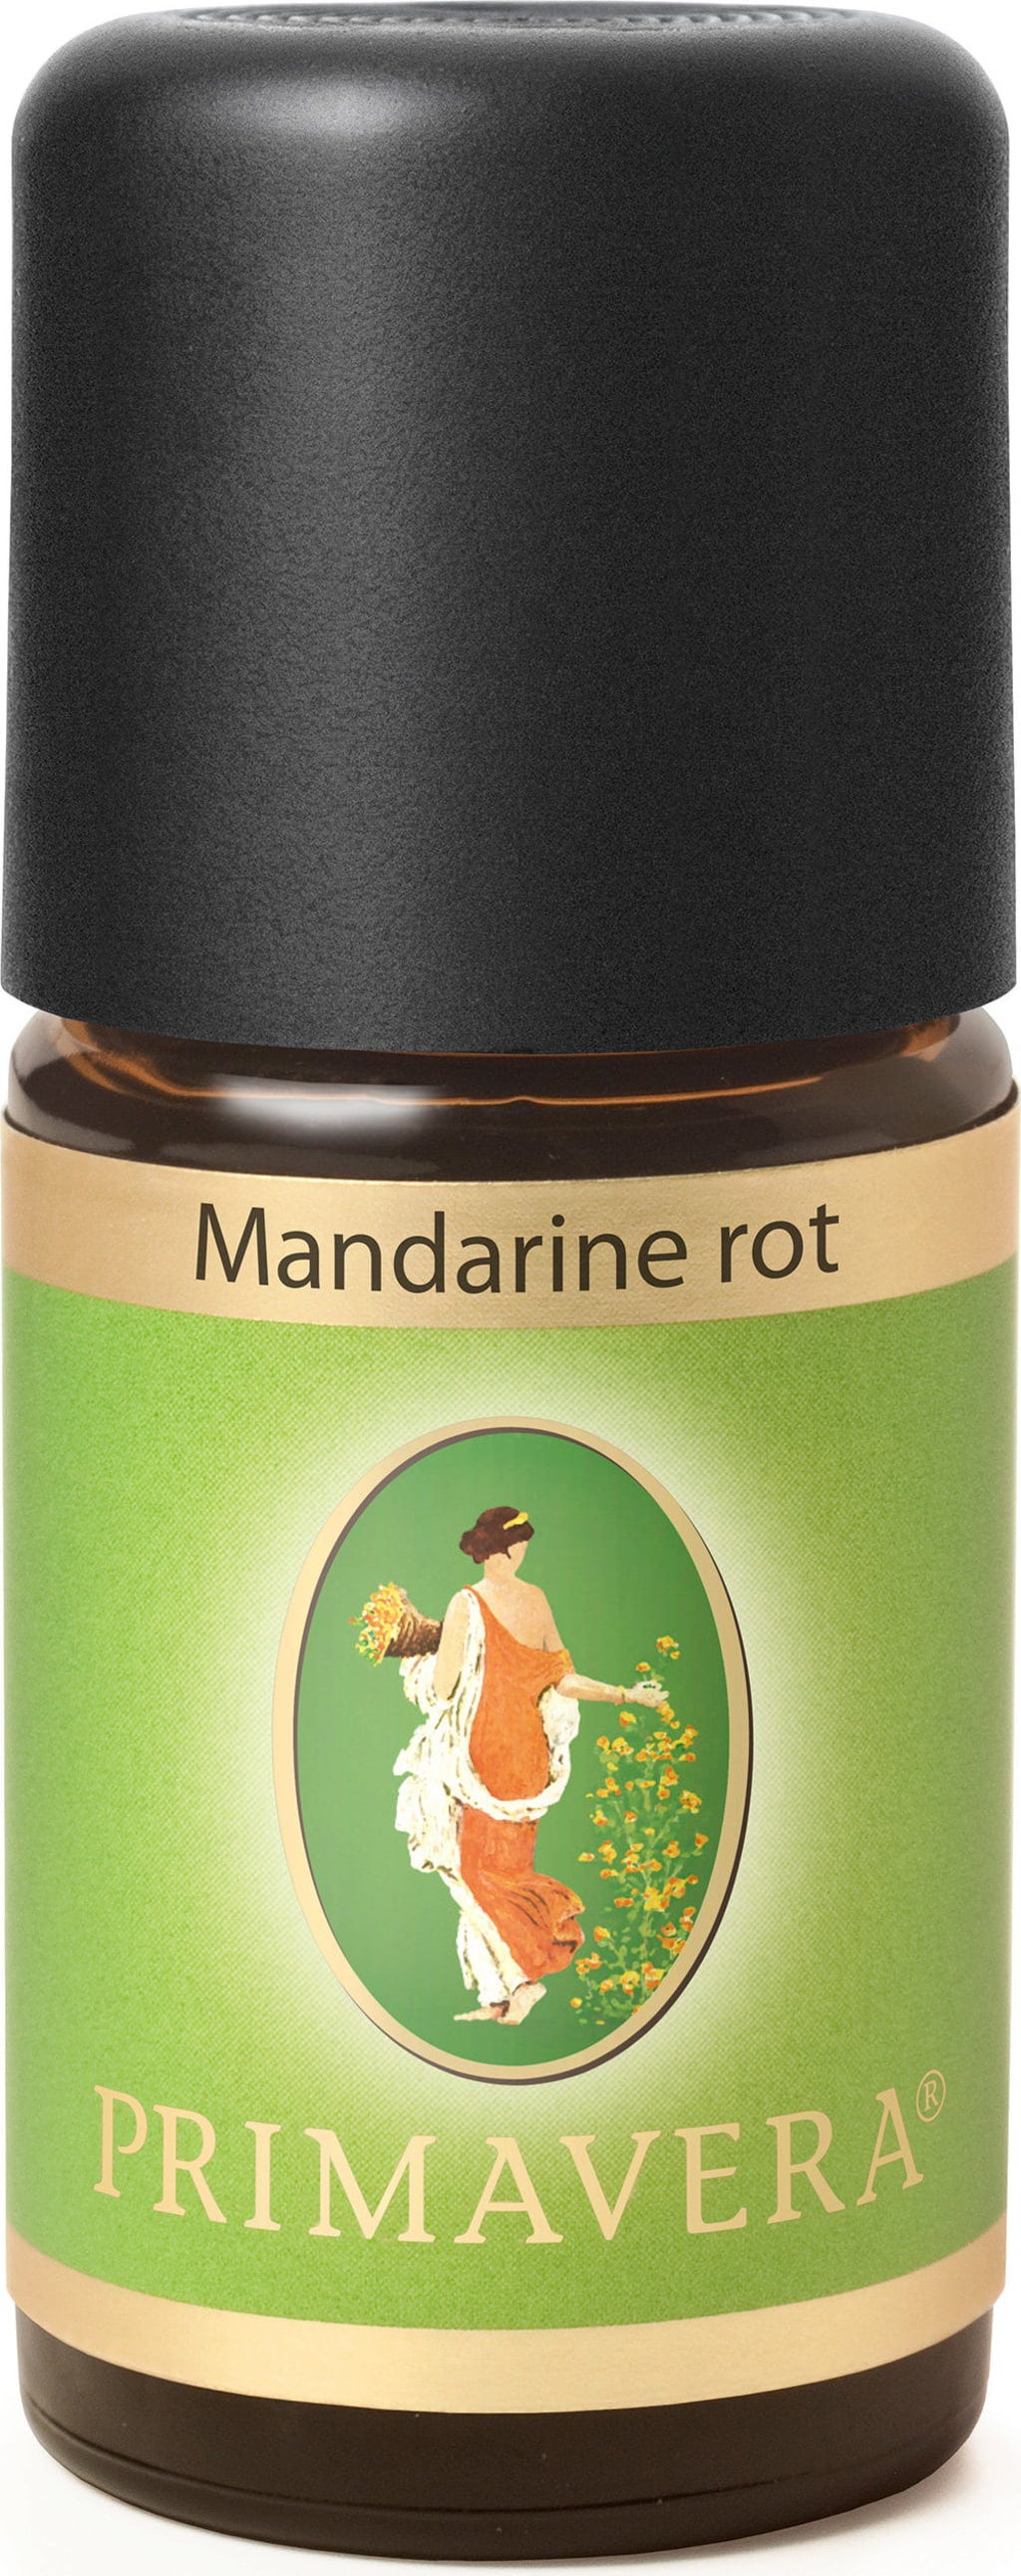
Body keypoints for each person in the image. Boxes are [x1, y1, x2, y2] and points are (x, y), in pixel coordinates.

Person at [394, 1506, 666, 2026]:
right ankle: (499, 1995)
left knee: (473, 1872)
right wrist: (626, 1694)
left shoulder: (465, 1603)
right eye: (522, 1543)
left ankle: (524, 1982)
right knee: (506, 1872)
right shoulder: (536, 1600)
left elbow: (443, 1689)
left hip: (484, 1754)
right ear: (508, 1548)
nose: (524, 1551)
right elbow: (565, 1680)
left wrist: (414, 1662)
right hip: (528, 1757)